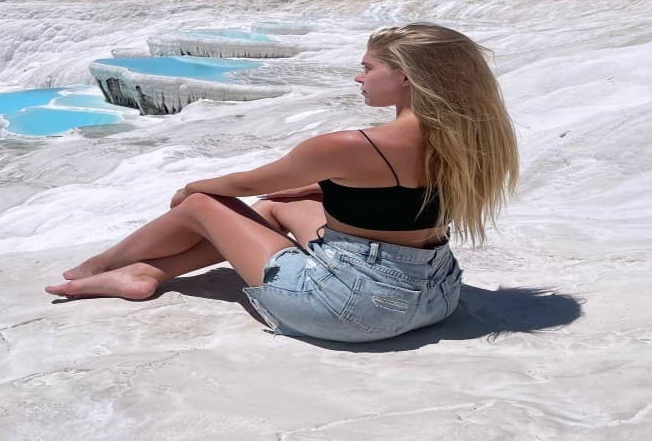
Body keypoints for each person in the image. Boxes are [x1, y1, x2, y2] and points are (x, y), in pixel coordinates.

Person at [46, 24, 519, 343]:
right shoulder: (469, 138)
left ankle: (94, 268)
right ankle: (147, 273)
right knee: (273, 207)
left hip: (354, 310)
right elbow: (405, 199)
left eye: (369, 67)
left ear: (407, 77)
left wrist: (193, 188)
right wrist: (323, 192)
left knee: (205, 205)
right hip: (436, 296)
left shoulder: (350, 145)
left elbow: (241, 182)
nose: (359, 77)